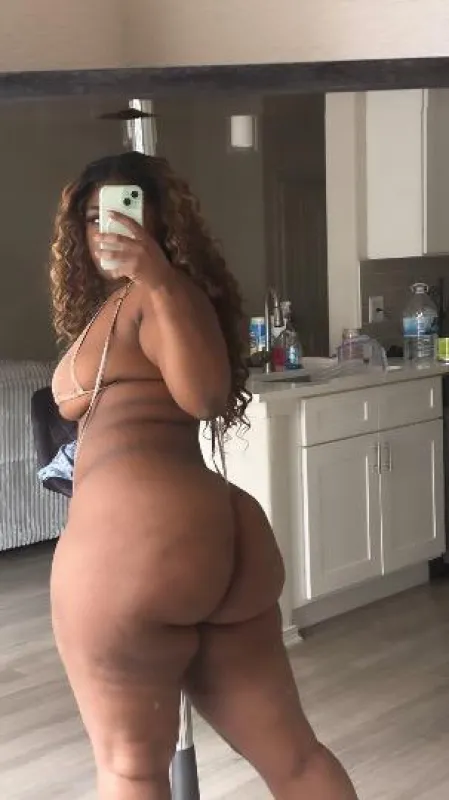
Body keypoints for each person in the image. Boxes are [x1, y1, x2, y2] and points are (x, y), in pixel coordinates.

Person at [49, 151, 358, 800]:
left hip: (133, 550)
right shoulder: (135, 305)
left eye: (125, 210)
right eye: (92, 215)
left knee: (130, 769)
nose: (106, 227)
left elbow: (204, 397)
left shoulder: (163, 295)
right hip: (211, 537)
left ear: (162, 220)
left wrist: (157, 278)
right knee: (293, 758)